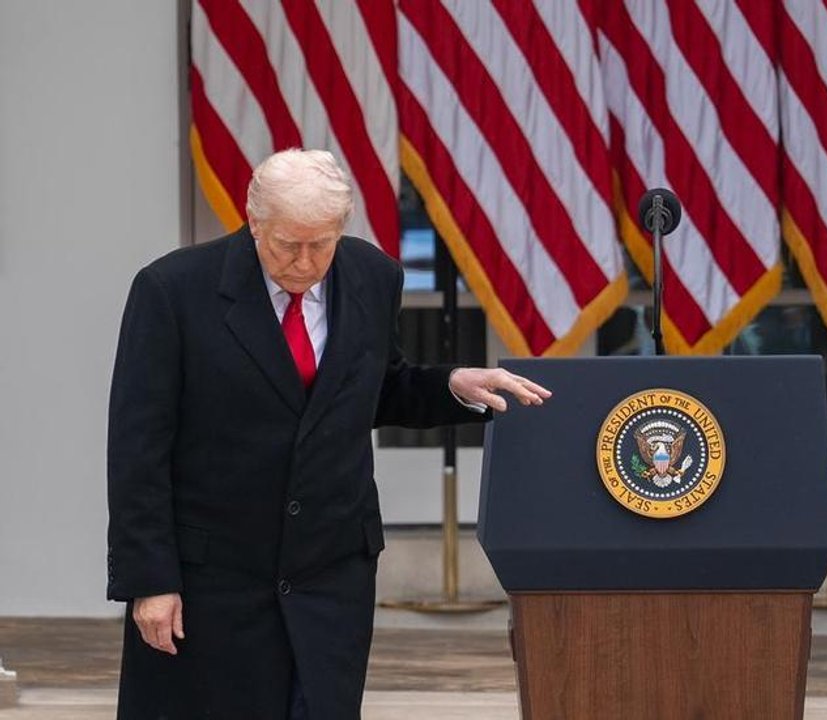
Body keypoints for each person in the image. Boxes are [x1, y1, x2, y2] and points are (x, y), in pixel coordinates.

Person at [106, 148, 551, 719]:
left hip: (329, 573)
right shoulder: (172, 290)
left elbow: (372, 390)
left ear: (342, 228)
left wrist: (452, 385)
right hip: (213, 581)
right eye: (287, 244)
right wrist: (150, 579)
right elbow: (138, 448)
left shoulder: (373, 276)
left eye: (321, 243)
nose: (305, 261)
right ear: (253, 220)